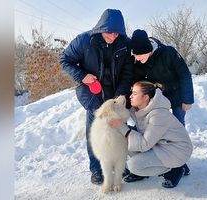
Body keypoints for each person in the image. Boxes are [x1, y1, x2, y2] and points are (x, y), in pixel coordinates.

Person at [60, 9, 133, 185]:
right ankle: (96, 169)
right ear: (101, 27)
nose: (113, 36)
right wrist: (82, 76)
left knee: (119, 129)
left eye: (117, 32)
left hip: (115, 94)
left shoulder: (125, 43)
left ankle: (121, 165)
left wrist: (120, 95)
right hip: (92, 92)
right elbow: (65, 60)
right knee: (96, 131)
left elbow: (128, 71)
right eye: (110, 32)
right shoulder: (84, 40)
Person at [130, 29, 194, 175]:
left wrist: (187, 99)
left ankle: (179, 166)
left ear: (148, 49)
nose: (137, 58)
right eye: (135, 55)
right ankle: (162, 159)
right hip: (157, 98)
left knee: (176, 129)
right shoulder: (138, 61)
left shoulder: (168, 53)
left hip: (176, 95)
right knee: (155, 130)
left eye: (139, 55)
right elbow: (137, 81)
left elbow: (184, 74)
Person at [109, 81, 193, 188]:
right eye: (131, 92)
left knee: (134, 166)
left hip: (177, 150)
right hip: (160, 145)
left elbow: (144, 144)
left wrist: (122, 126)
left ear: (145, 97)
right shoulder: (139, 109)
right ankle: (143, 173)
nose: (130, 96)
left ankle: (174, 169)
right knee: (126, 140)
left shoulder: (158, 114)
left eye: (134, 94)